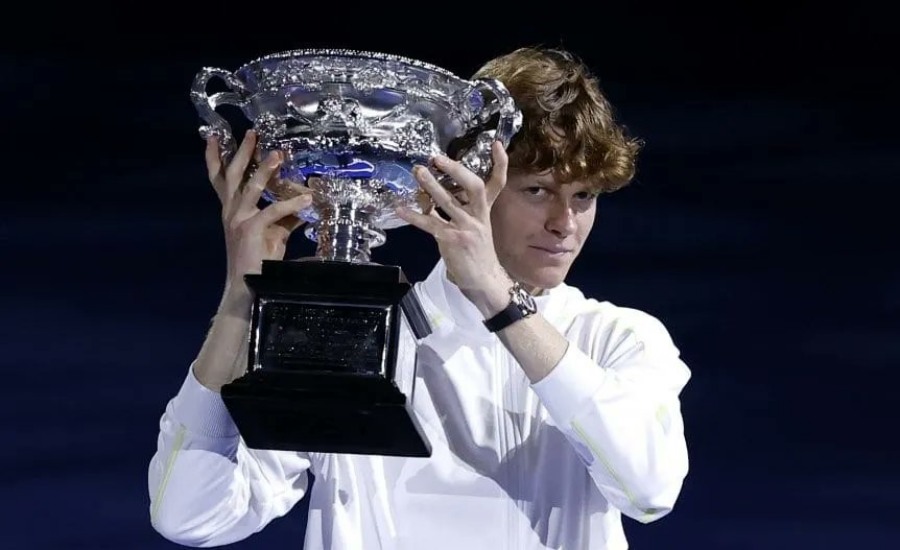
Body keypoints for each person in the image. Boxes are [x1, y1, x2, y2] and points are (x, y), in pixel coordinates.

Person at [148, 46, 692, 550]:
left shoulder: (619, 338)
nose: (563, 224)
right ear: (460, 185)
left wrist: (498, 298)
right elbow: (191, 514)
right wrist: (242, 299)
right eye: (538, 190)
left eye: (584, 197)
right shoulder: (351, 332)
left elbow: (647, 491)